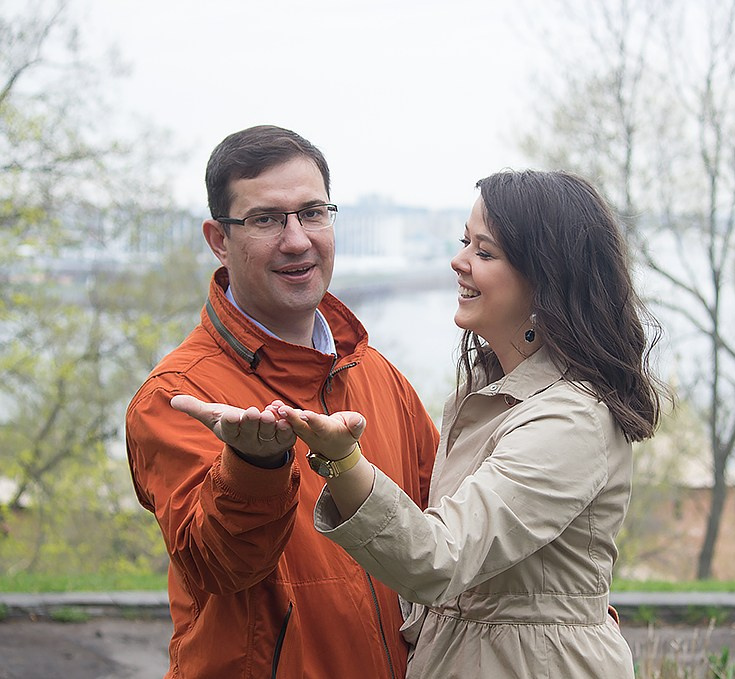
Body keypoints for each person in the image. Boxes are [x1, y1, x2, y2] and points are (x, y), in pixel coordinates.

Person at [177, 169, 665, 677]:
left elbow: (438, 559)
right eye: (464, 243)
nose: (458, 262)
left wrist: (343, 462)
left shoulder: (569, 420)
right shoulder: (485, 396)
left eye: (485, 251)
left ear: (546, 280)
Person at [124, 125, 438, 679]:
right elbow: (220, 567)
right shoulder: (177, 396)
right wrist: (254, 465)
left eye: (312, 212)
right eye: (266, 219)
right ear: (219, 239)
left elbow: (445, 540)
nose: (297, 240)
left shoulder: (376, 374)